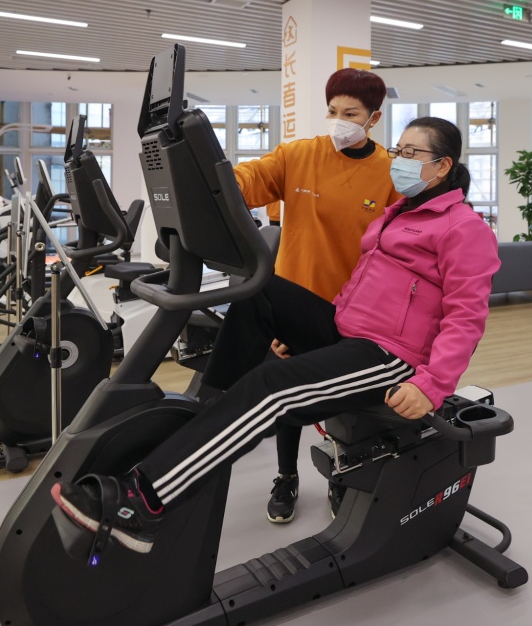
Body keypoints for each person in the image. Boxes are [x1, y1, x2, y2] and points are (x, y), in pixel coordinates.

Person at [51, 117, 500, 554]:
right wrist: (299, 326)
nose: (398, 160)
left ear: (442, 165)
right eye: (398, 150)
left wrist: (431, 385)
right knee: (259, 291)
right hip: (347, 329)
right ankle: (205, 415)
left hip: (390, 355)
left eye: (411, 153)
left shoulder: (464, 228)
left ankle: (141, 505)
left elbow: (467, 317)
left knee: (271, 387)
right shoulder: (398, 214)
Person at [220, 68, 399, 524]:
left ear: (374, 118)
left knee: (342, 399)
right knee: (287, 395)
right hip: (291, 301)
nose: (339, 121)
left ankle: (342, 473)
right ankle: (286, 476)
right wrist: (215, 181)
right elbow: (246, 180)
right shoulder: (298, 155)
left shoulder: (390, 173)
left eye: (351, 114)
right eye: (333, 111)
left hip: (350, 313)